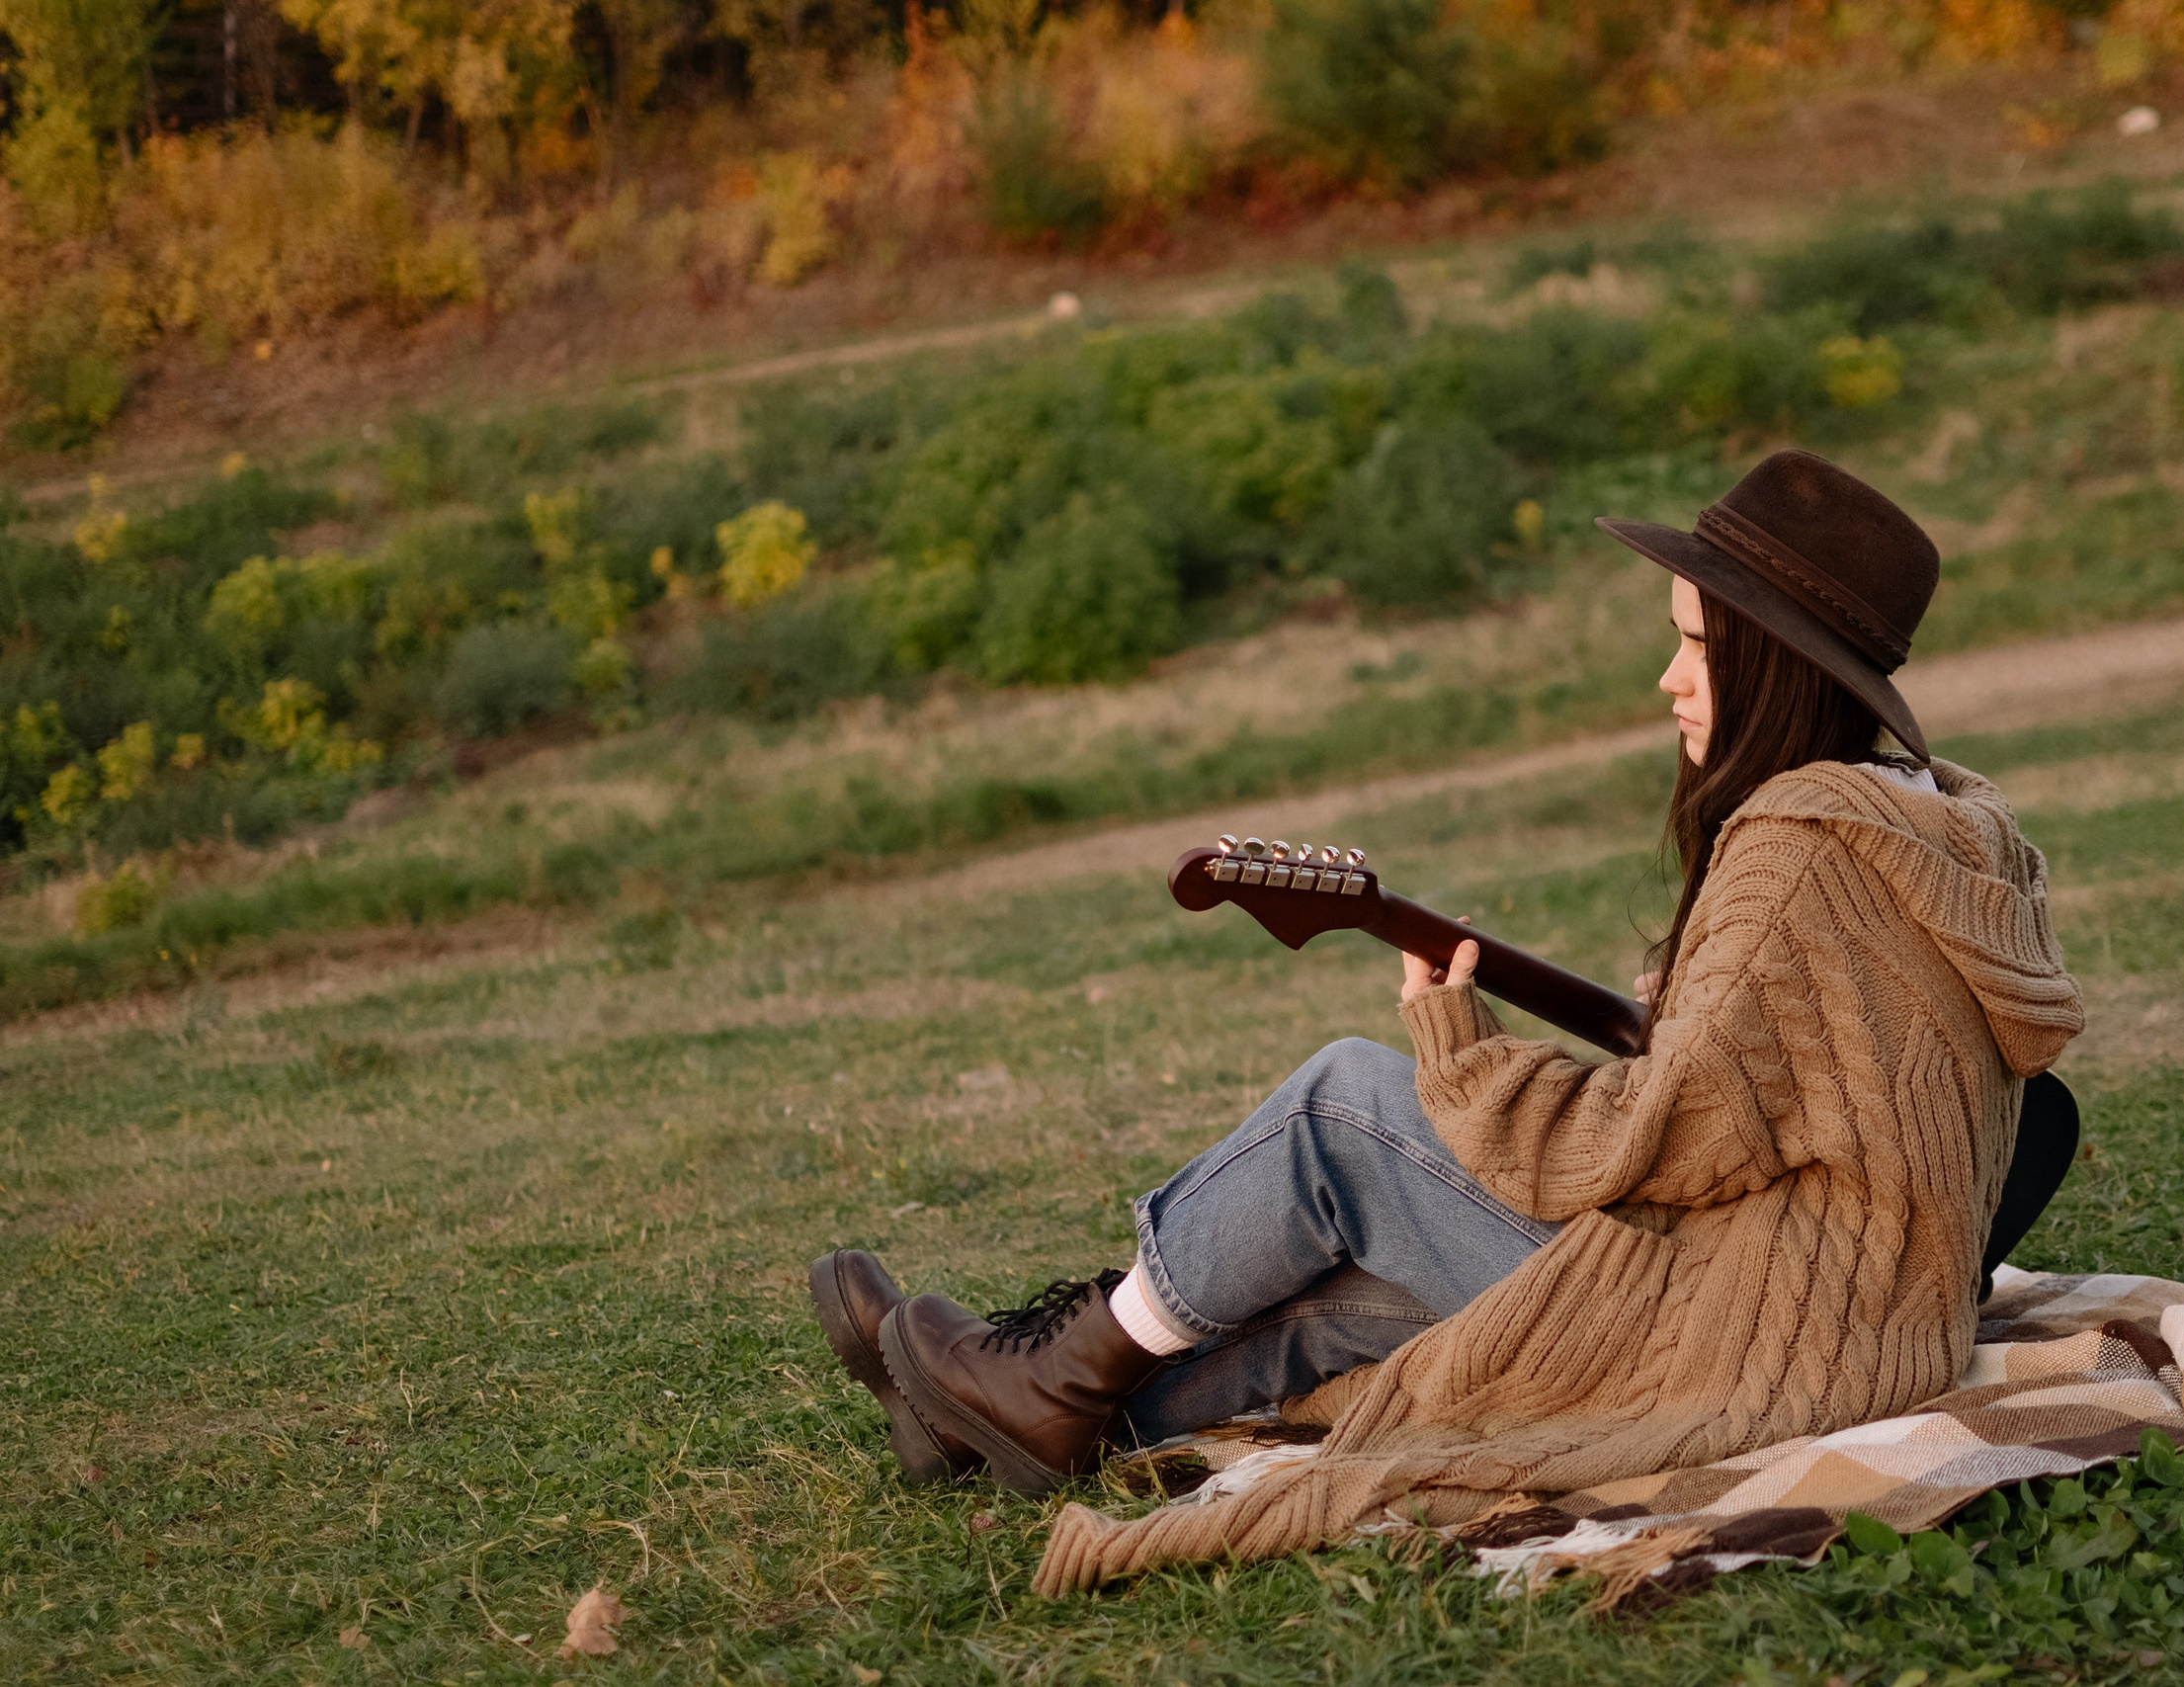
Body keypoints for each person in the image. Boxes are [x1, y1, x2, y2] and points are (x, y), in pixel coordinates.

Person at [808, 449, 2086, 1507]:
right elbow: (1769, 1096)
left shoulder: (1802, 849)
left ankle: (1039, 1376)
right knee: (1355, 1303)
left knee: (1348, 1110)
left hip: (1748, 1322)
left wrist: (1460, 1048)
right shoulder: (1927, 827)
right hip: (1854, 1317)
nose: (1670, 678)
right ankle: (998, 1409)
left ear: (1772, 664)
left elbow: (1673, 1138)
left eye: (1697, 647)